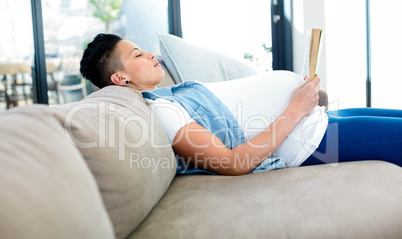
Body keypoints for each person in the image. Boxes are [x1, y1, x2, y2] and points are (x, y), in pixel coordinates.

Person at [80, 33, 402, 175]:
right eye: (138, 54)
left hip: (319, 119)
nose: (150, 54)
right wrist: (294, 109)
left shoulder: (173, 95)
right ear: (121, 79)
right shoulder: (160, 110)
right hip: (310, 140)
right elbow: (233, 163)